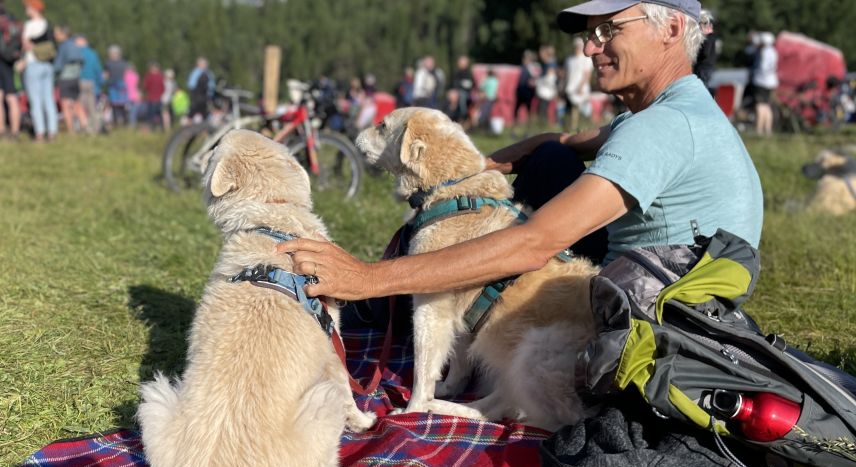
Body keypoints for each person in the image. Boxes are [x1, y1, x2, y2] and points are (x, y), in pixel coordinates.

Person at [276, 0, 763, 309]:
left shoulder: (661, 128)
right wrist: (468, 173)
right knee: (550, 156)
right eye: (589, 36)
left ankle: (391, 297)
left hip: (659, 310)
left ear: (672, 29)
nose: (591, 50)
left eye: (609, 30)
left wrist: (366, 278)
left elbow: (535, 244)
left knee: (516, 227)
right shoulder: (676, 110)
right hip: (682, 286)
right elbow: (557, 141)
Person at [20, 0, 58, 141]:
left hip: (33, 64)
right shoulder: (48, 24)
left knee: (35, 101)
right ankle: (52, 132)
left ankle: (40, 133)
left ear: (33, 9)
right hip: (47, 65)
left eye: (27, 8)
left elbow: (25, 45)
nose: (26, 11)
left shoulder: (29, 25)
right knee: (49, 99)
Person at [52, 24, 87, 134]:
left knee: (65, 104)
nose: (55, 36)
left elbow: (58, 65)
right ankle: (84, 125)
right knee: (76, 103)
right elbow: (82, 62)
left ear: (63, 34)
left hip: (65, 79)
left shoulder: (63, 46)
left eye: (57, 34)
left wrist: (51, 73)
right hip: (76, 78)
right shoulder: (75, 45)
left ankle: (71, 130)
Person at [0, 0, 21, 140]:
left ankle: (2, 130)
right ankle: (15, 131)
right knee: (11, 96)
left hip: (2, 59)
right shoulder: (11, 18)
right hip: (9, 61)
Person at [564, 36, 594, 132]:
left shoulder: (586, 59)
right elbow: (567, 75)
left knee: (583, 109)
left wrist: (581, 87)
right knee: (572, 110)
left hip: (581, 88)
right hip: (570, 88)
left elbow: (587, 74)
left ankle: (584, 127)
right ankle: (572, 127)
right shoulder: (569, 60)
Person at [75, 34, 102, 134]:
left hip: (78, 81)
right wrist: (99, 83)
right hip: (91, 82)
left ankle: (80, 127)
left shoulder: (76, 52)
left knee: (79, 106)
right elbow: (98, 70)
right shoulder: (92, 53)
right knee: (91, 106)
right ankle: (95, 128)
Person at [509, 49, 540, 138]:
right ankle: (514, 132)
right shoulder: (523, 67)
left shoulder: (532, 69)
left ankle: (528, 132)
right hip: (521, 94)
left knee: (529, 114)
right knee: (516, 113)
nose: (524, 59)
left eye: (526, 58)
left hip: (528, 94)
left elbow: (534, 81)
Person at [753, 31, 778, 136]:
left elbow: (763, 67)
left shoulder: (764, 52)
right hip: (772, 81)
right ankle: (768, 130)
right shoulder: (774, 51)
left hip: (762, 81)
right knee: (767, 106)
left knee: (760, 106)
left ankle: (759, 129)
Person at [693, 9, 717, 95]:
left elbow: (705, 53)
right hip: (709, 67)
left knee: (702, 89)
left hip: (703, 67)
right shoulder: (713, 37)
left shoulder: (707, 38)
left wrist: (696, 58)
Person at [103, 44, 128, 127]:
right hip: (123, 86)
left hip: (113, 85)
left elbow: (105, 75)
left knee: (114, 105)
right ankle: (124, 121)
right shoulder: (124, 63)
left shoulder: (108, 63)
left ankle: (116, 122)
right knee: (122, 104)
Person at [447, 55, 474, 125]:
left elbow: (470, 85)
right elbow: (454, 84)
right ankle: (450, 116)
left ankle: (463, 115)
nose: (460, 64)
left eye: (462, 62)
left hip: (466, 93)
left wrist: (459, 86)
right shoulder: (456, 72)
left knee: (461, 96)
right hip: (456, 91)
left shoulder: (468, 73)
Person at [187, 56, 214, 122]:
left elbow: (212, 86)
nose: (205, 65)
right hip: (197, 97)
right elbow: (191, 85)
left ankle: (205, 130)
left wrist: (210, 96)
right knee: (192, 113)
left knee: (206, 114)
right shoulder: (196, 73)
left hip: (205, 97)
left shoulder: (209, 73)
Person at [142, 61, 164, 130]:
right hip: (159, 98)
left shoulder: (148, 77)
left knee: (151, 114)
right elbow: (163, 88)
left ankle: (152, 127)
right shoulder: (161, 77)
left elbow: (145, 87)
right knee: (159, 113)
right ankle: (161, 127)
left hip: (151, 98)